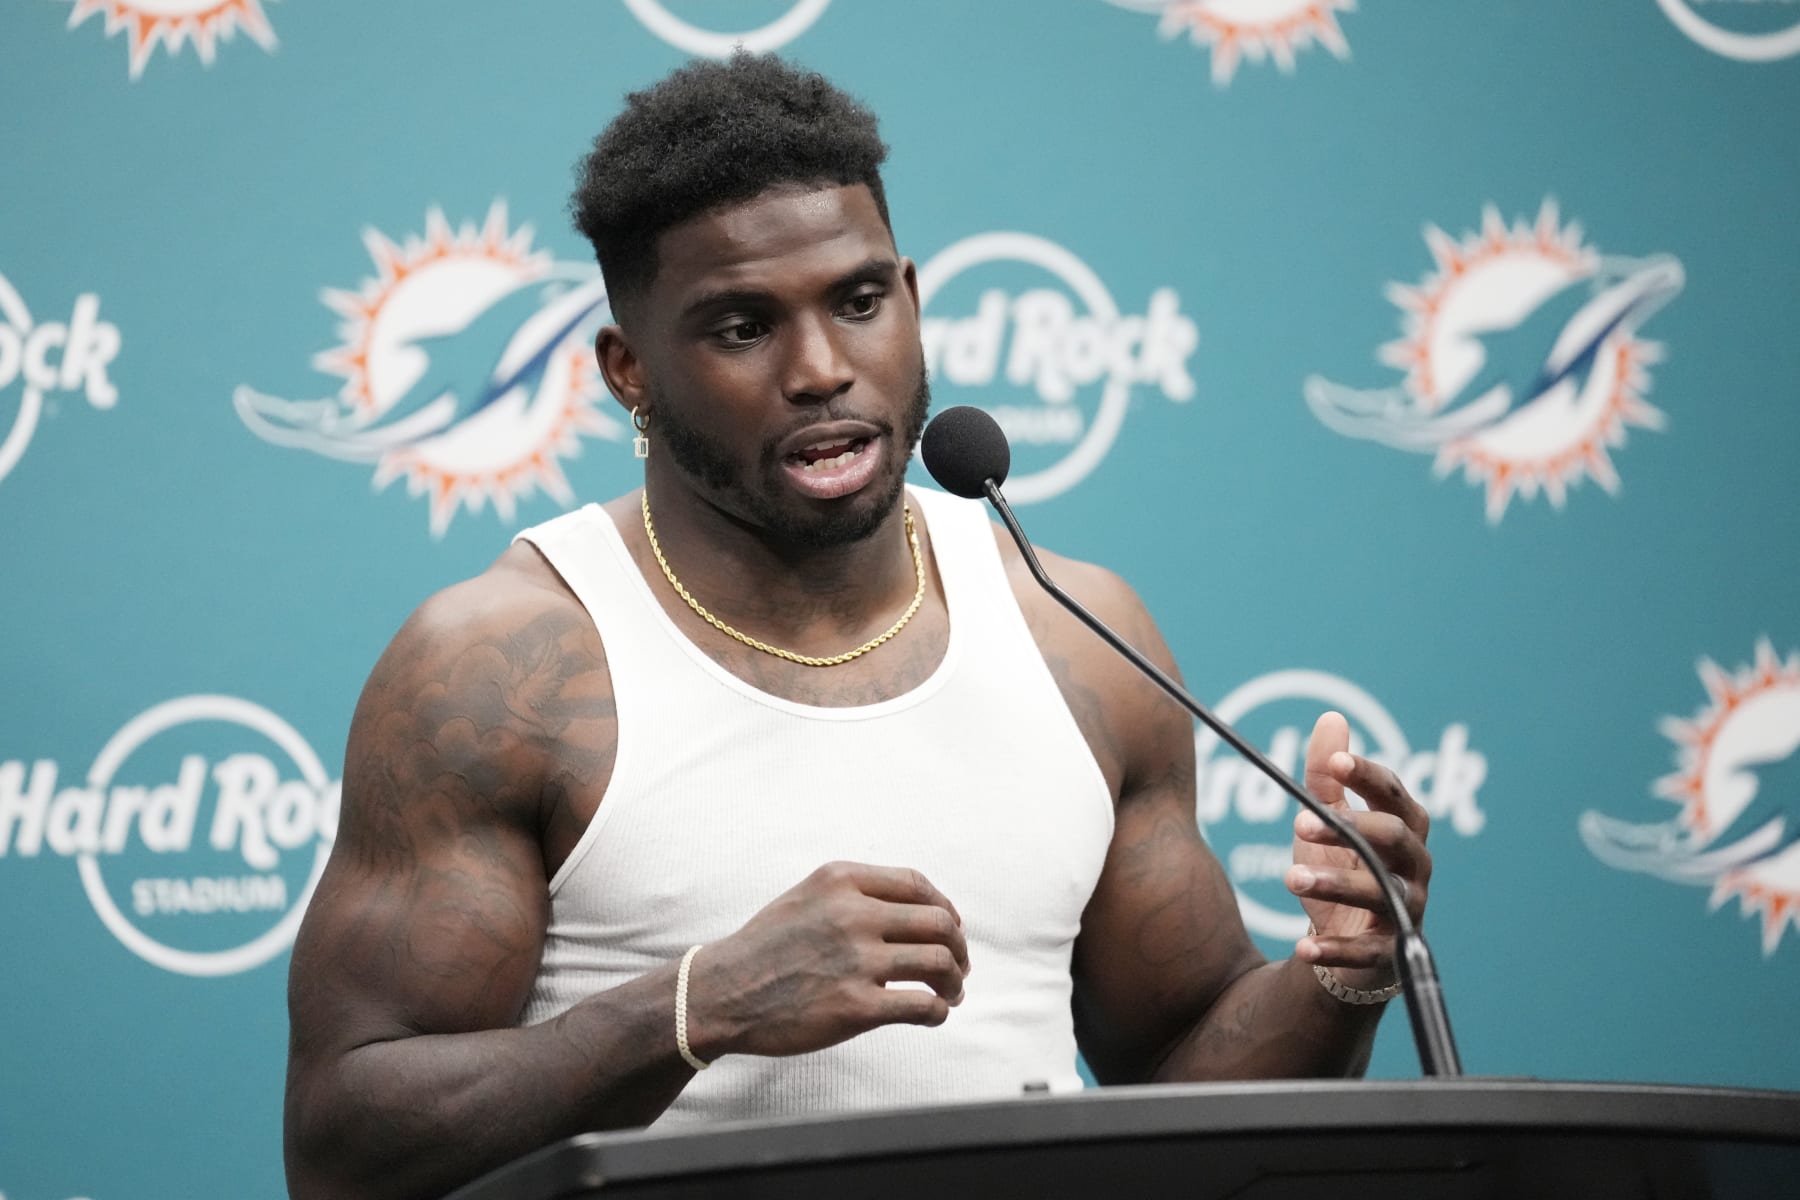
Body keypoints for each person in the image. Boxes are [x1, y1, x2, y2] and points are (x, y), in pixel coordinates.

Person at [282, 53, 1434, 1200]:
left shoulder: (1075, 632)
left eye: (860, 299)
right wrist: (697, 1008)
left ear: (913, 298)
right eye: (742, 328)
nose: (824, 369)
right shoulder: (504, 666)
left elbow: (1183, 1063)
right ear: (630, 373)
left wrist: (1340, 974)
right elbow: (344, 1151)